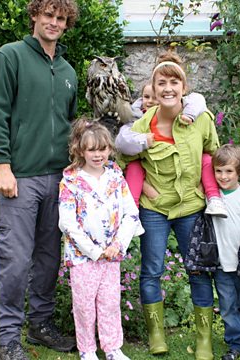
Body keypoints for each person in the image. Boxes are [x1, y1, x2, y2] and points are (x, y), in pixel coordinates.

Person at [0, 0, 79, 359]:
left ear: (67, 23)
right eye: (48, 15)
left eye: (60, 17)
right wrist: (1, 165)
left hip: (60, 180)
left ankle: (40, 325)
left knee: (49, 258)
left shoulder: (68, 70)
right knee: (16, 260)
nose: (54, 22)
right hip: (20, 177)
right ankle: (6, 338)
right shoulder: (9, 57)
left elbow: (69, 125)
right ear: (35, 16)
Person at [119, 52, 219, 360]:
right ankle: (156, 335)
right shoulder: (140, 126)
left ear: (184, 86)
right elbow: (125, 159)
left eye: (174, 82)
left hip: (190, 207)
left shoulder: (201, 120)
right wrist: (145, 186)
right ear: (153, 87)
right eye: (161, 82)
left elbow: (212, 155)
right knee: (151, 272)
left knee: (199, 271)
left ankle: (203, 340)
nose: (167, 88)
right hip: (155, 209)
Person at [58, 120, 144, 360]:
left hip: (112, 254)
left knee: (109, 302)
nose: (98, 154)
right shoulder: (71, 182)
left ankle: (112, 348)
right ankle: (87, 350)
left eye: (102, 149)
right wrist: (94, 251)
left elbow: (130, 212)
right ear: (80, 150)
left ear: (110, 149)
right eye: (92, 149)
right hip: (83, 257)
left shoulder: (116, 176)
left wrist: (118, 244)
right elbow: (68, 223)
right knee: (84, 306)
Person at [116, 83, 228, 218]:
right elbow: (123, 144)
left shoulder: (185, 114)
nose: (150, 101)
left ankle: (214, 197)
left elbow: (197, 100)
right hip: (153, 193)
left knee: (206, 159)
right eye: (146, 97)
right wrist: (142, 140)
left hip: (188, 198)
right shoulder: (136, 118)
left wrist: (190, 114)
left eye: (154, 98)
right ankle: (131, 213)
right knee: (134, 166)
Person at [209, 144, 240, 360]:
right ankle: (235, 344)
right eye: (218, 171)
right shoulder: (212, 194)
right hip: (221, 263)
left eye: (228, 171)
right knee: (227, 306)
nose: (223, 176)